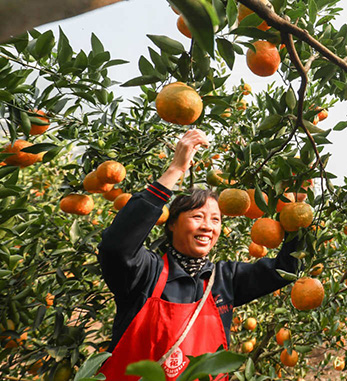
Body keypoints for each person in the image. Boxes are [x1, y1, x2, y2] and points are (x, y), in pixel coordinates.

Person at [98, 129, 299, 381]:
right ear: (172, 224)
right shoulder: (146, 273)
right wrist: (175, 170)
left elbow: (286, 269)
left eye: (215, 219)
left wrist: (295, 213)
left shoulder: (225, 279)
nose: (208, 227)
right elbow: (116, 246)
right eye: (197, 216)